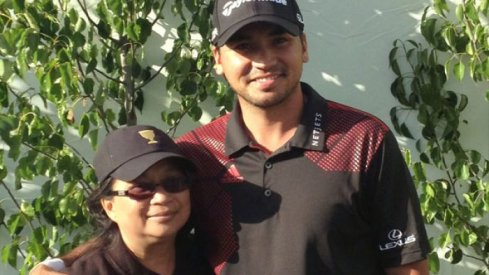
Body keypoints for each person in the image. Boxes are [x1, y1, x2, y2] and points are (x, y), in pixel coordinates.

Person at [31, 0, 430, 274]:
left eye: (280, 40)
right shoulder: (195, 155)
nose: (265, 60)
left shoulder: (364, 139)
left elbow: (406, 262)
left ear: (304, 46)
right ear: (218, 60)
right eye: (244, 46)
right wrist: (62, 264)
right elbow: (138, 231)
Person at [35, 125, 213, 274]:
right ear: (109, 206)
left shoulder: (207, 259)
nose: (161, 197)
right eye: (141, 188)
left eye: (174, 182)